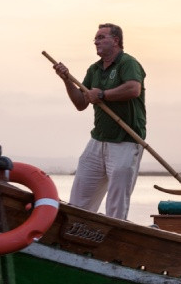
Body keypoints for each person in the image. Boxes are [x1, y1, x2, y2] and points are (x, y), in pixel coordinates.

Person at [53, 23, 147, 220]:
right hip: (99, 140)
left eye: (101, 37)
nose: (96, 41)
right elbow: (80, 103)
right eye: (95, 38)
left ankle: (114, 236)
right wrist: (67, 80)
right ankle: (76, 232)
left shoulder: (127, 63)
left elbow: (133, 89)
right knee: (80, 198)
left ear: (116, 40)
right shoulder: (94, 69)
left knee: (116, 201)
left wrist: (103, 94)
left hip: (125, 140)